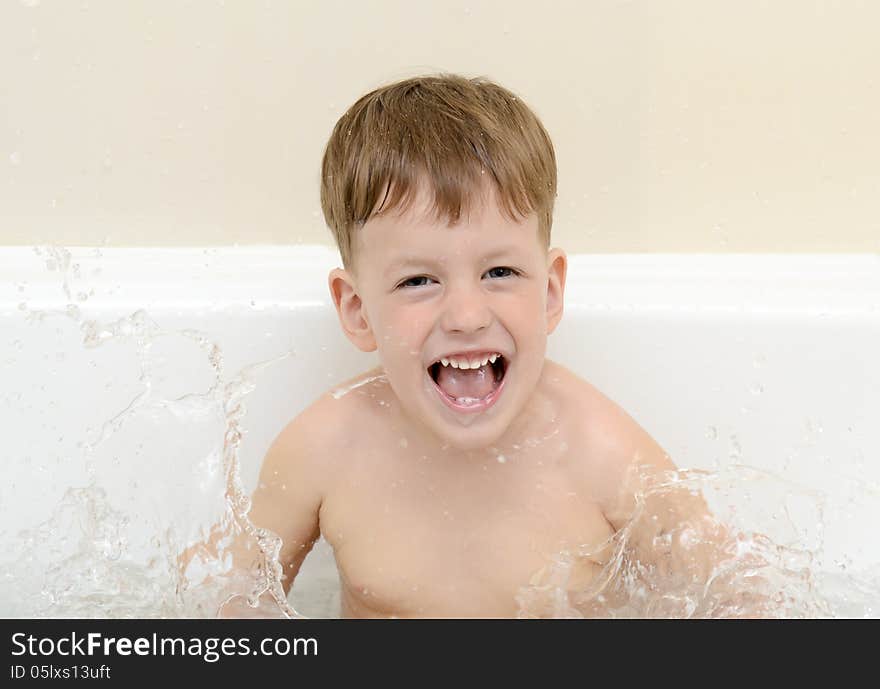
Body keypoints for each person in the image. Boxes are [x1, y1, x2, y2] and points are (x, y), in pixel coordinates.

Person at [190, 73, 763, 618]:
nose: (466, 315)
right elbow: (235, 596)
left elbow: (734, 588)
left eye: (500, 272)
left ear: (550, 292)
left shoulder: (598, 450)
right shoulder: (326, 448)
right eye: (419, 281)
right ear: (357, 310)